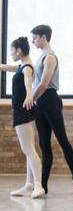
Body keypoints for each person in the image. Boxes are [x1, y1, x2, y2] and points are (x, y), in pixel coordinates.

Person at [30, 25, 73, 195]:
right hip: (40, 102)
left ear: (44, 37)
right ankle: (43, 186)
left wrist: (30, 98)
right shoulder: (39, 57)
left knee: (63, 140)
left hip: (50, 100)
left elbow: (44, 84)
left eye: (35, 38)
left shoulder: (50, 57)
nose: (33, 41)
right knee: (44, 144)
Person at [0, 37, 45, 198]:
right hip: (23, 110)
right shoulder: (22, 66)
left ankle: (38, 186)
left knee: (28, 149)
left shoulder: (26, 67)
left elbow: (27, 80)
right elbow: (7, 67)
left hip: (23, 110)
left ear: (18, 51)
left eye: (12, 50)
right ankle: (29, 185)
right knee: (29, 150)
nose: (11, 53)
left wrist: (29, 94)